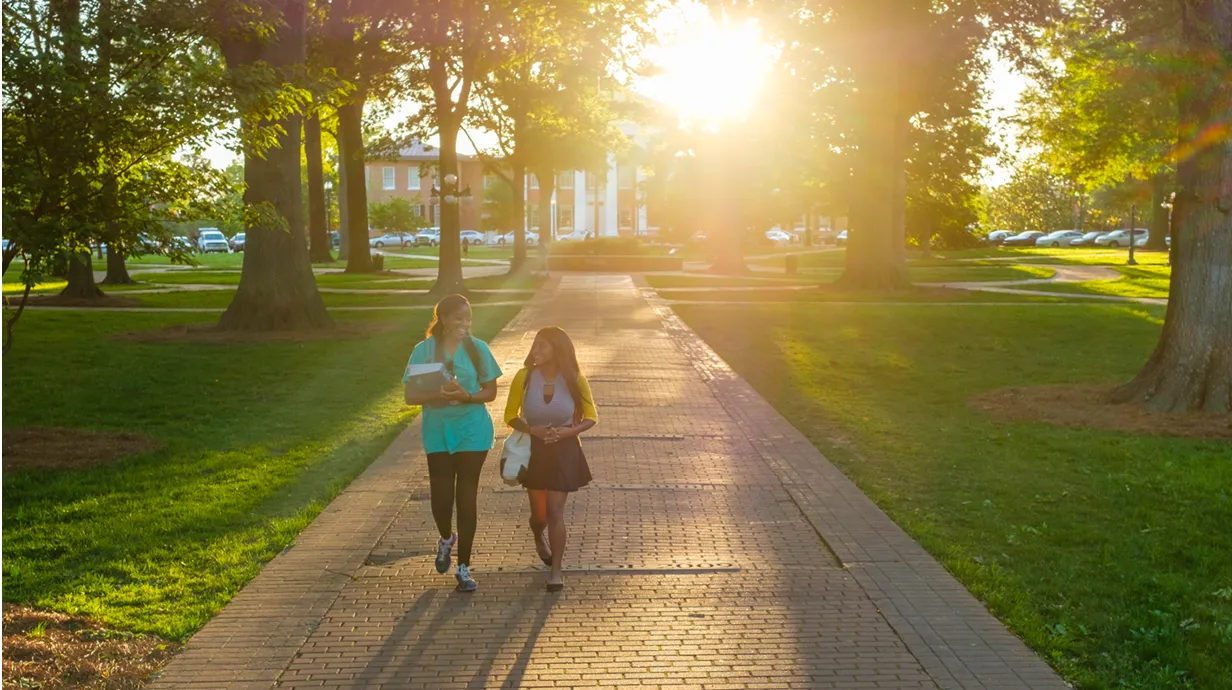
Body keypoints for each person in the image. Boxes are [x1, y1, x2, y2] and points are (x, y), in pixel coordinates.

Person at [403, 294, 503, 592]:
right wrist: (439, 395)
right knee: (442, 497)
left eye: (468, 317)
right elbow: (410, 396)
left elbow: (490, 391)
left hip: (473, 428)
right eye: (458, 318)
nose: (464, 323)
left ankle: (464, 567)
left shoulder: (478, 349)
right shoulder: (423, 351)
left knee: (467, 495)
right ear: (443, 319)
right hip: (437, 429)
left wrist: (466, 396)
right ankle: (446, 538)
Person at [503, 327, 597, 592]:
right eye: (535, 345)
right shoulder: (523, 377)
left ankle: (556, 570)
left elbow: (591, 416)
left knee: (555, 511)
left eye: (543, 346)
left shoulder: (574, 379)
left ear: (558, 349)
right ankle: (537, 535)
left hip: (564, 450)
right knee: (540, 514)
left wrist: (569, 431)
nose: (537, 351)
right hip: (533, 450)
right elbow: (509, 415)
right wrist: (532, 429)